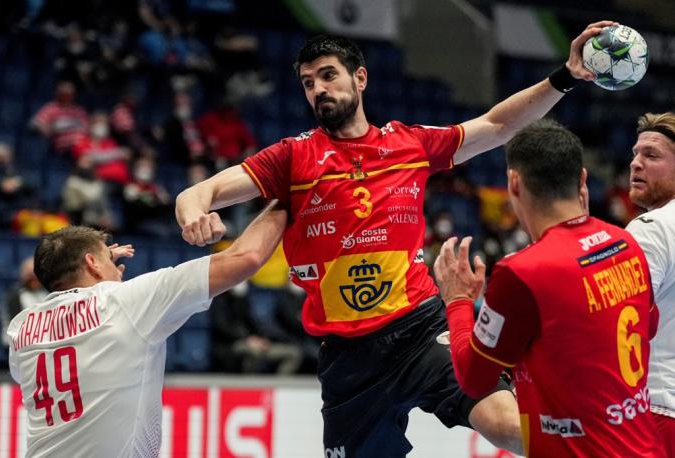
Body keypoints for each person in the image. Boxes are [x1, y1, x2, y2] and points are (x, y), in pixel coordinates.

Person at [175, 24, 614, 456]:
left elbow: (497, 125)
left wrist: (565, 77)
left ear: (360, 77)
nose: (318, 90)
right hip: (349, 359)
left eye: (328, 75)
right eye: (308, 83)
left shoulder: (409, 144)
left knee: (509, 427)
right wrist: (195, 213)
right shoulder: (293, 156)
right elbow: (201, 191)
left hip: (420, 330)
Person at [433, 120, 665, 457]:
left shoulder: (522, 271)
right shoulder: (625, 241)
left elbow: (473, 378)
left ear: (514, 183)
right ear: (583, 179)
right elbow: (649, 326)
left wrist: (456, 301)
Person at [7, 203, 286, 457]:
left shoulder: (21, 328)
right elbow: (246, 257)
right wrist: (286, 196)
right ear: (92, 263)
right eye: (110, 258)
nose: (121, 266)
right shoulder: (125, 302)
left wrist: (97, 261)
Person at [625, 111, 675, 456]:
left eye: (651, 155)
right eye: (635, 153)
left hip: (655, 414)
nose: (635, 164)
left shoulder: (653, 227)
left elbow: (620, 319)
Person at [0, 257, 47, 346]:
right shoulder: (15, 295)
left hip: (40, 341)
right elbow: (15, 325)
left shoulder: (46, 292)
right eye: (30, 276)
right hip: (16, 342)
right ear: (23, 276)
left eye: (35, 275)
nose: (33, 280)